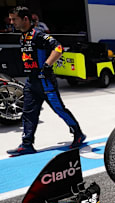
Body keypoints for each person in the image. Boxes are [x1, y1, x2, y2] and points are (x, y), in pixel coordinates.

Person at [7, 6, 86, 156]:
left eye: (14, 19)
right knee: (28, 113)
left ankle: (78, 134)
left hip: (45, 82)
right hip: (31, 82)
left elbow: (58, 48)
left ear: (25, 19)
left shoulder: (39, 35)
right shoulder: (22, 37)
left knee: (59, 110)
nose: (11, 22)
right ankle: (27, 144)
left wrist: (46, 65)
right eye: (10, 19)